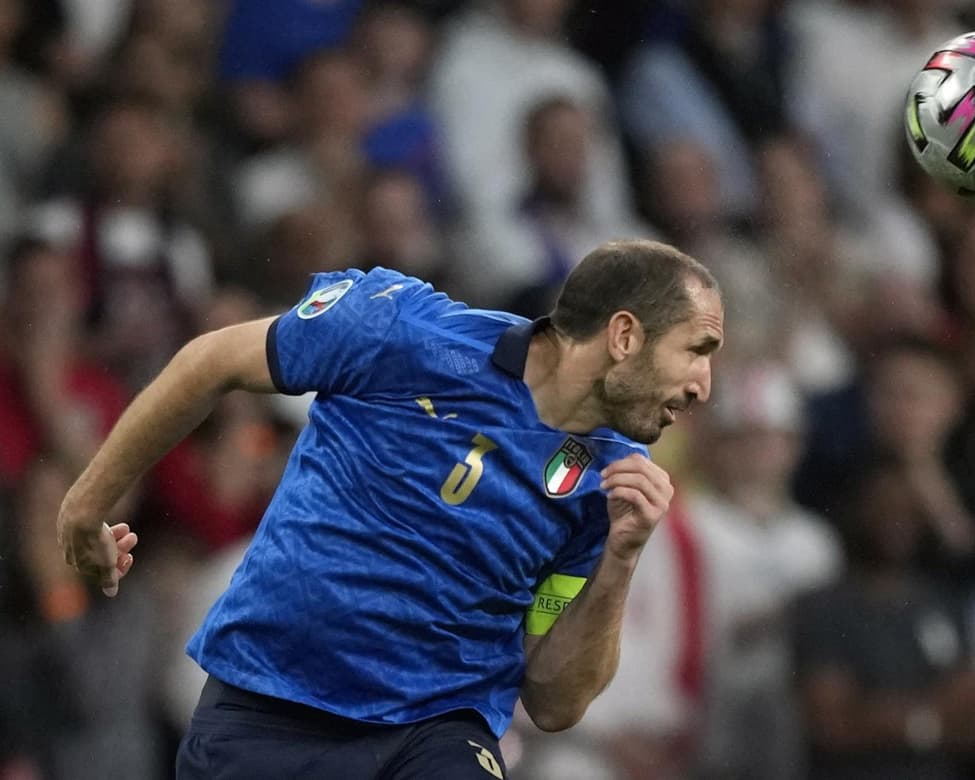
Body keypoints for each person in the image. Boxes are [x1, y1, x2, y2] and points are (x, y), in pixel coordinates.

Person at [57, 238, 724, 779]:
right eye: (698, 350)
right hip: (271, 705)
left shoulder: (607, 484)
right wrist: (86, 505)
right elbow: (213, 363)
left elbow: (554, 701)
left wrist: (621, 559)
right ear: (626, 336)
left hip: (438, 730)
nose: (703, 386)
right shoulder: (398, 329)